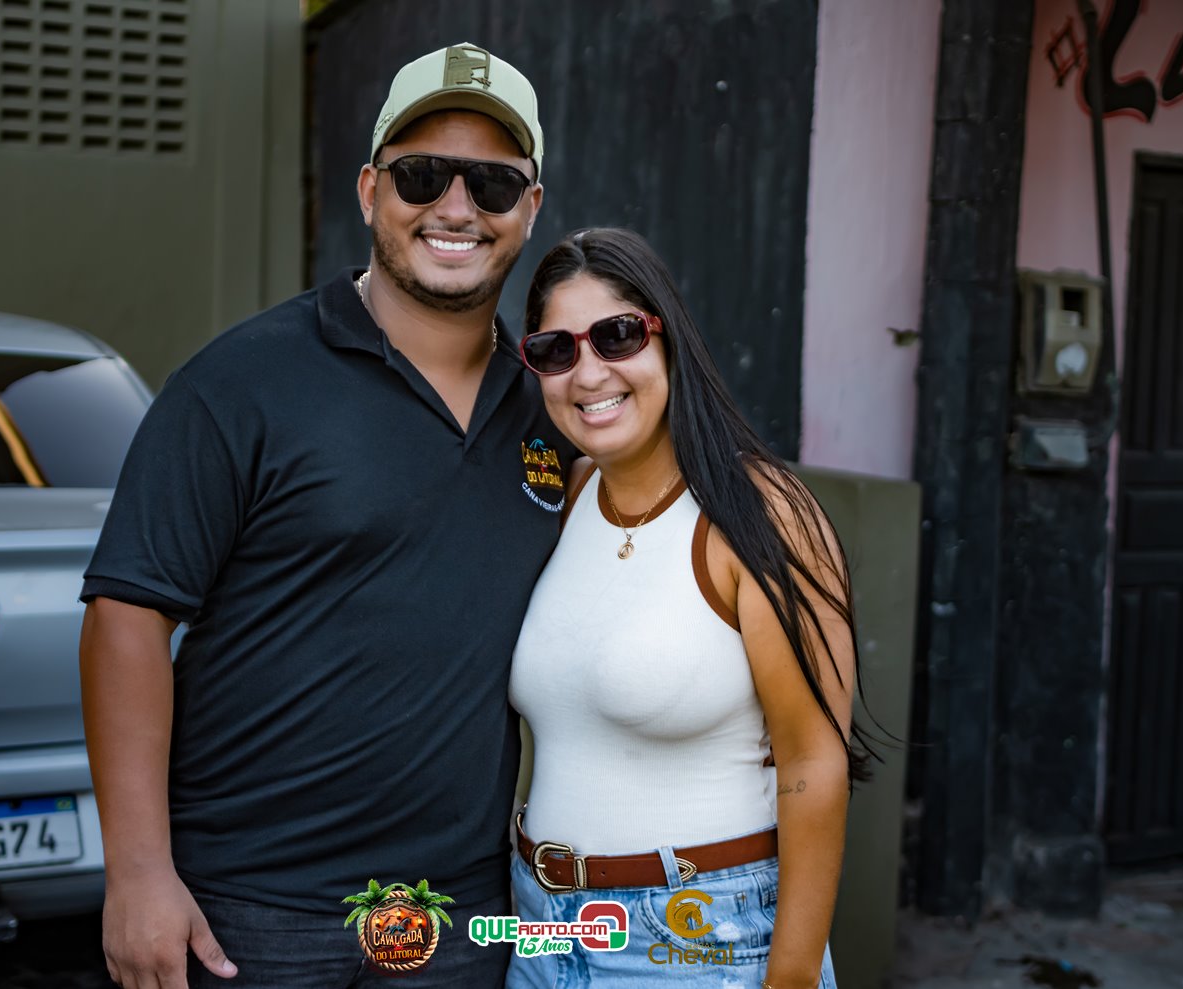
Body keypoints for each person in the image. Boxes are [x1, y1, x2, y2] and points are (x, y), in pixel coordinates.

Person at [78, 43, 567, 989]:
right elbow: (126, 617)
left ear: (530, 207)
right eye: (422, 176)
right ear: (371, 190)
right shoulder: (240, 382)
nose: (456, 207)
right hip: (247, 915)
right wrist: (137, 872)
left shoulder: (550, 405)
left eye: (492, 184)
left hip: (458, 920)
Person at [508, 228, 868, 989]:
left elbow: (813, 760)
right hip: (539, 931)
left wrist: (793, 978)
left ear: (667, 337)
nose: (589, 373)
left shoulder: (760, 512)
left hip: (700, 941)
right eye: (555, 350)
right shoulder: (566, 498)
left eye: (617, 335)